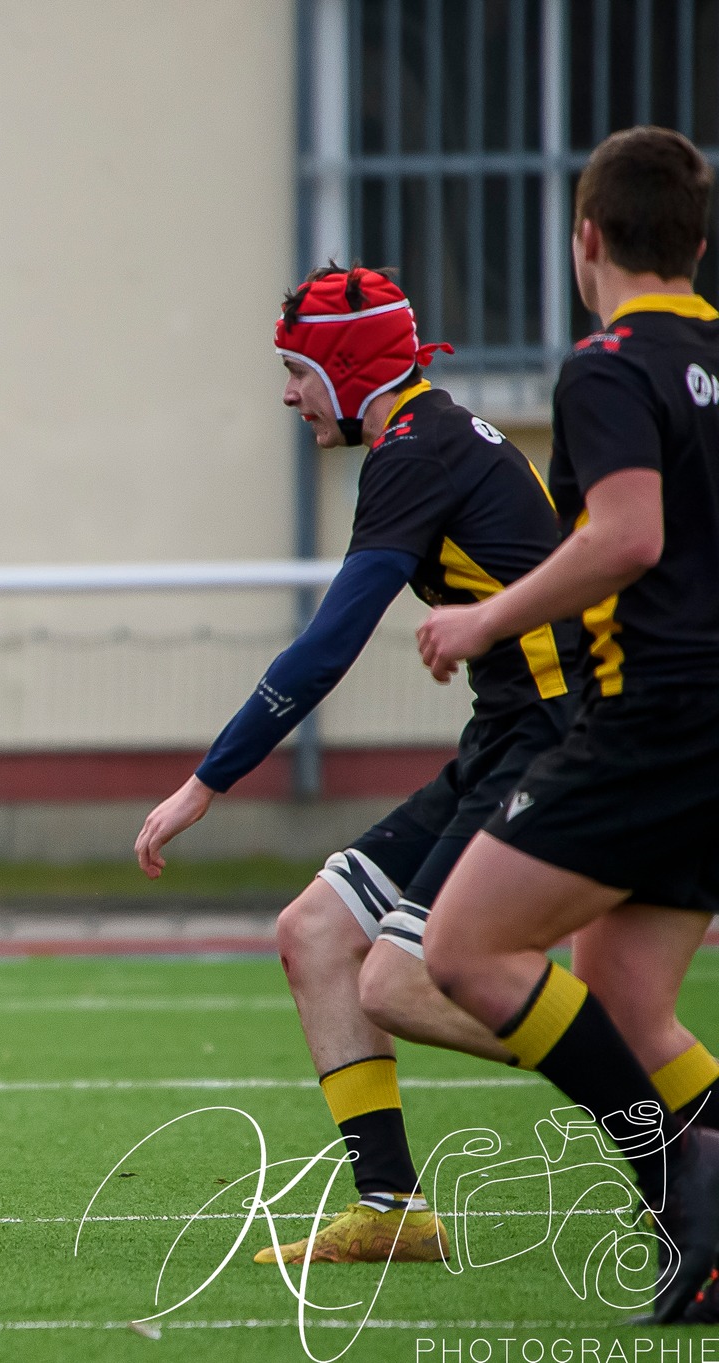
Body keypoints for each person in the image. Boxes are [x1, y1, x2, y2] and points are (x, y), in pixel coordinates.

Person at [137, 264, 587, 1265]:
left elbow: (328, 643)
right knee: (312, 934)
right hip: (504, 733)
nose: (288, 394)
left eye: (297, 371)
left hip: (554, 740)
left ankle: (654, 1080)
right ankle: (391, 1209)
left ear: (346, 371)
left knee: (396, 981)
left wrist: (202, 782)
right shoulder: (425, 439)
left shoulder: (414, 449)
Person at [417, 126, 719, 1324]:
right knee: (630, 1001)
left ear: (583, 237)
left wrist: (482, 619)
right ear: (694, 242)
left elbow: (626, 537)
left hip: (652, 713)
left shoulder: (608, 364)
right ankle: (703, 1227)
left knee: (461, 951)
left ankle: (675, 1178)